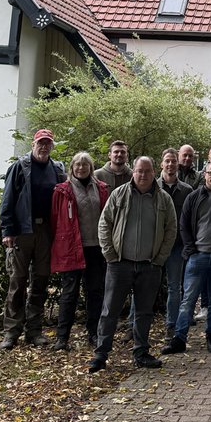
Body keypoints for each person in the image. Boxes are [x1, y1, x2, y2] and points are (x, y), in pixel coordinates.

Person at [90, 156, 177, 372]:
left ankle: (141, 353)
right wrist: (109, 254)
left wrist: (159, 259)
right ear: (133, 172)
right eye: (139, 171)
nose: (143, 175)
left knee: (144, 312)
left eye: (147, 171)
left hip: (149, 266)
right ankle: (101, 355)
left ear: (153, 172)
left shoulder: (163, 199)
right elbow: (104, 224)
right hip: (120, 264)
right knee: (110, 310)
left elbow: (171, 230)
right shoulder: (119, 195)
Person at [0, 128, 66, 350]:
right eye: (40, 143)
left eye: (48, 143)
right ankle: (11, 332)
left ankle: (34, 331)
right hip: (22, 232)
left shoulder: (57, 170)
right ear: (33, 144)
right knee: (17, 282)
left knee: (40, 281)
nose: (44, 147)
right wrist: (8, 231)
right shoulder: (20, 167)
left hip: (45, 231)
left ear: (51, 146)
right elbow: (7, 200)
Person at [164, 160, 211, 354]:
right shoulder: (194, 196)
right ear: (204, 174)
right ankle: (179, 338)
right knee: (188, 299)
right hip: (197, 256)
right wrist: (191, 249)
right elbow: (184, 225)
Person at [50, 151, 109, 350]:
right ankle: (62, 337)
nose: (81, 168)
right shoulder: (62, 190)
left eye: (85, 165)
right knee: (69, 293)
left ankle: (93, 333)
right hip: (71, 248)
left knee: (95, 292)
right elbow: (55, 220)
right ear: (72, 168)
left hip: (95, 247)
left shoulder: (101, 189)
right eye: (77, 165)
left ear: (91, 168)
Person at [158, 148, 192, 338]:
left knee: (174, 286)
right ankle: (134, 324)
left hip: (177, 245)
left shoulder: (186, 190)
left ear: (177, 164)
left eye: (173, 161)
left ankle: (172, 324)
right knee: (147, 285)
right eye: (167, 161)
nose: (170, 164)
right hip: (154, 245)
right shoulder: (152, 186)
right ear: (161, 164)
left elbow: (190, 220)